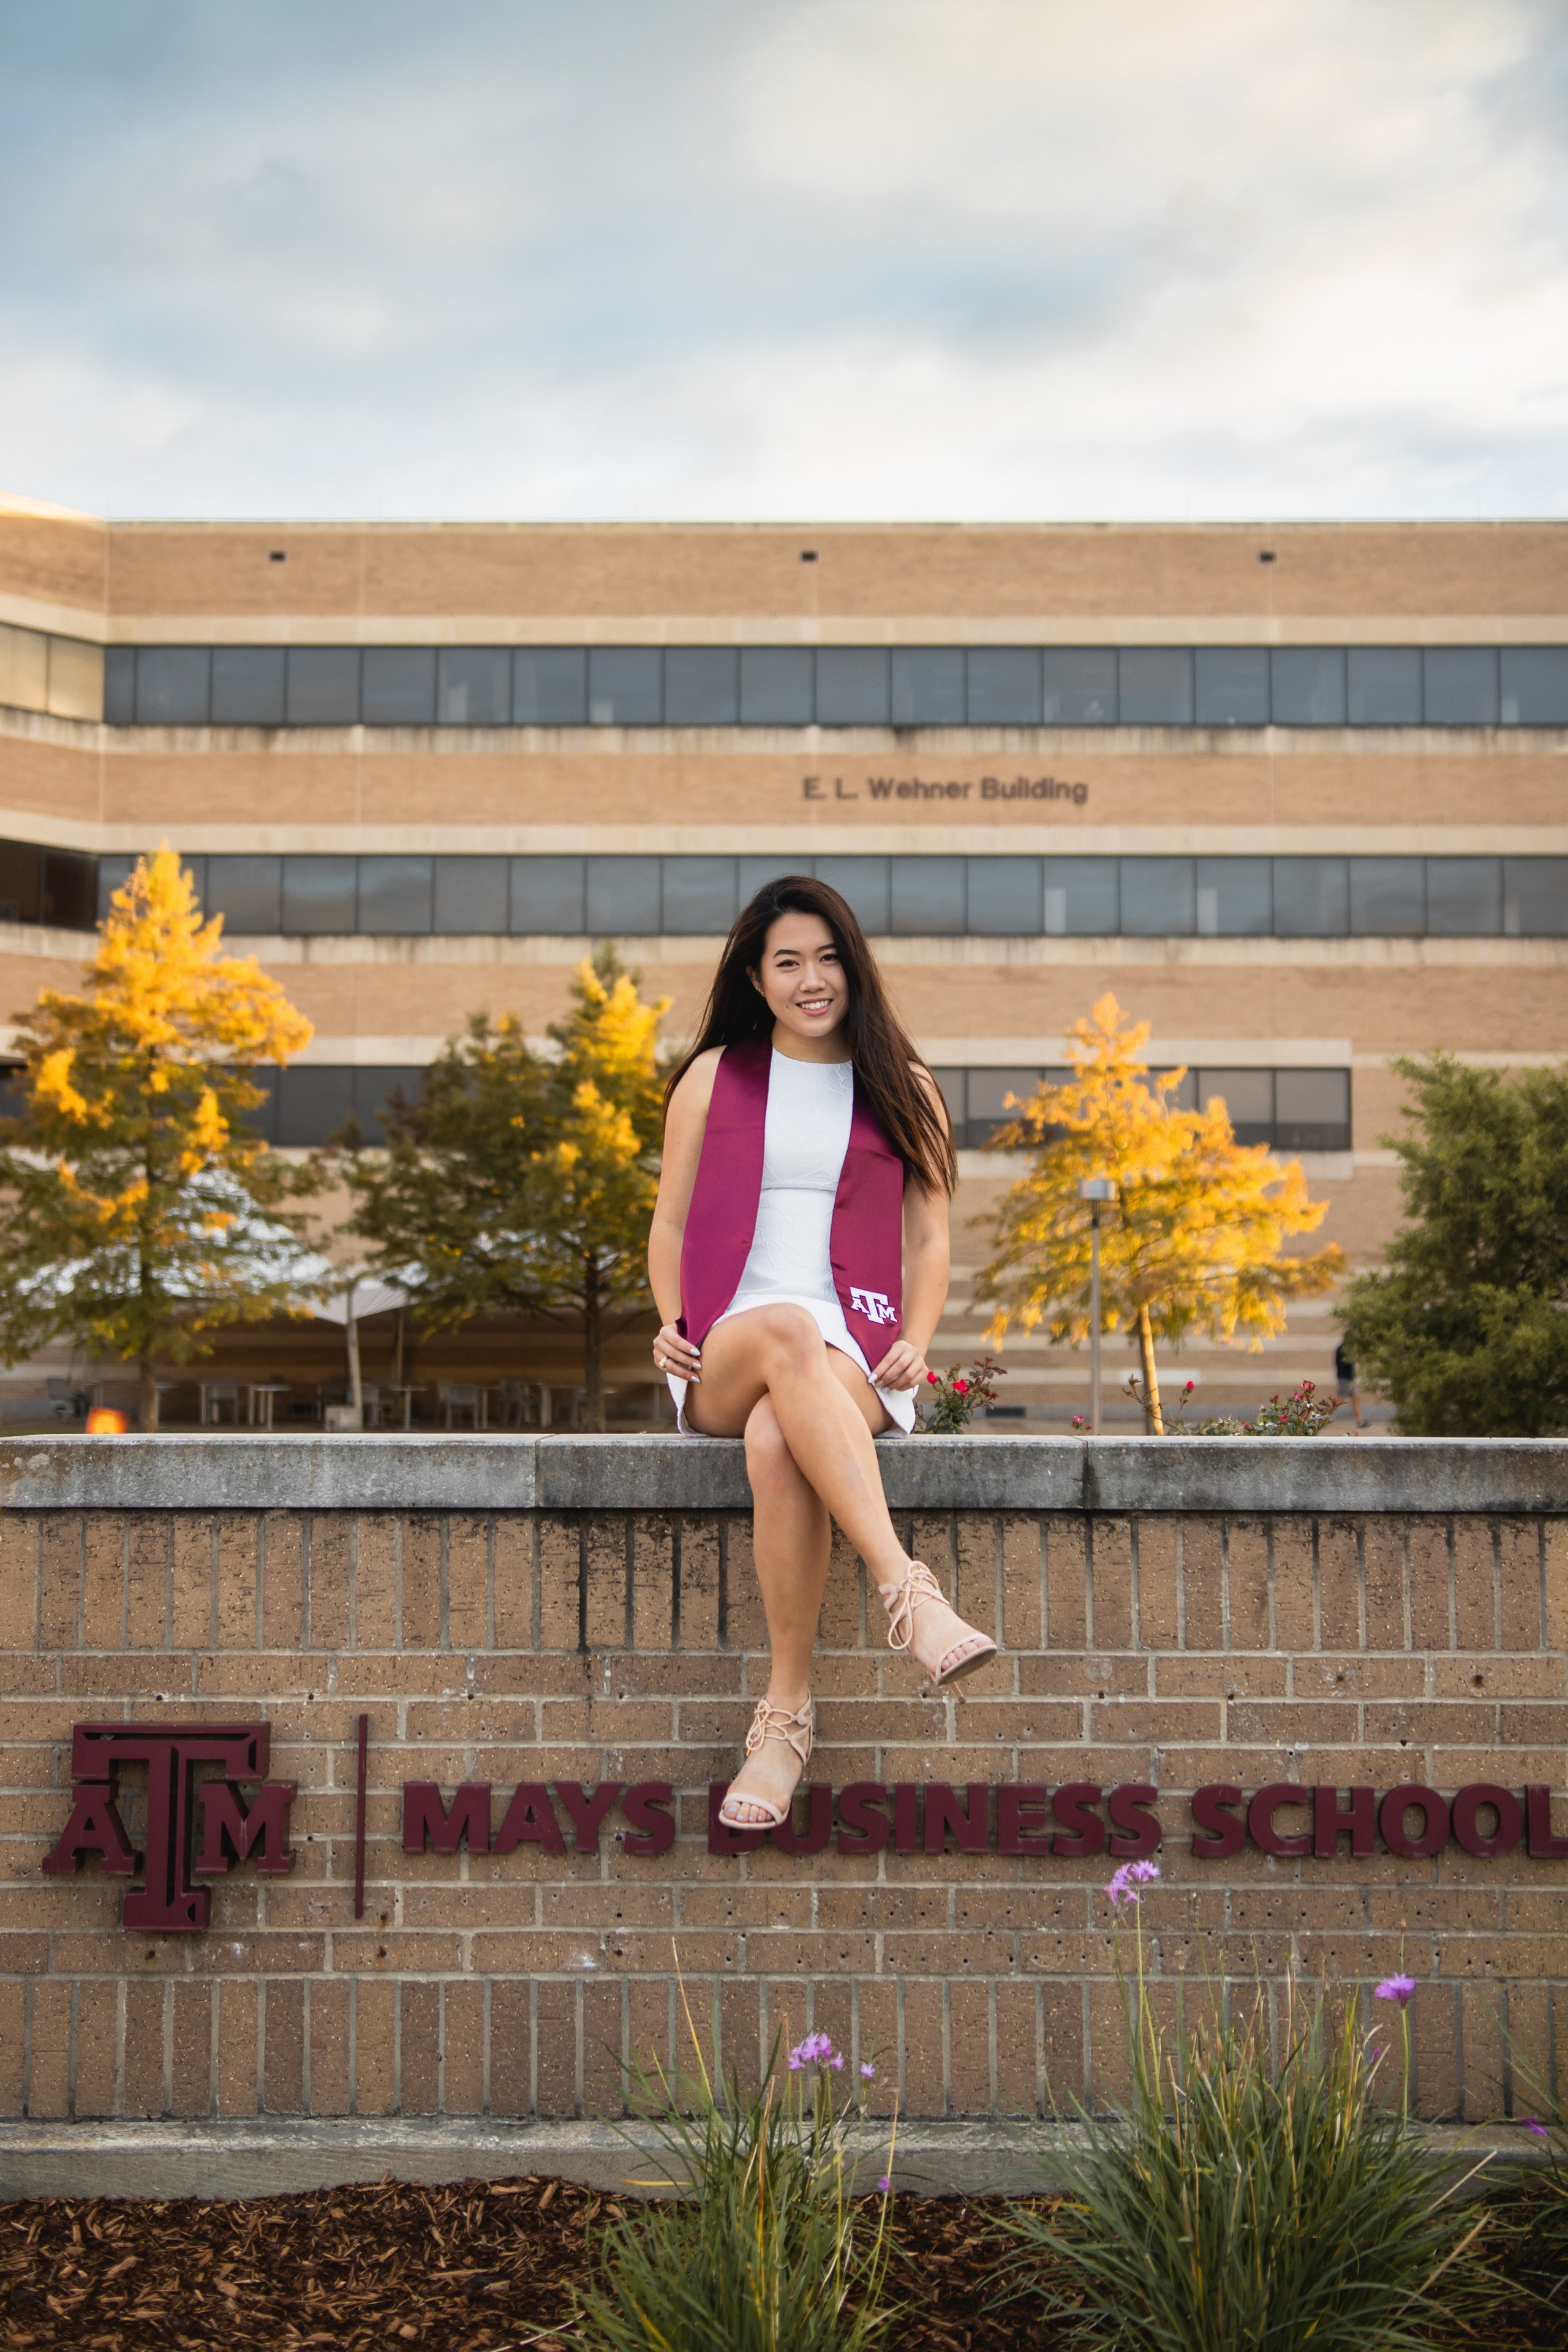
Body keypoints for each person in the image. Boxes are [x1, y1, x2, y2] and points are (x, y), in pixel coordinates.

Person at [648, 876, 997, 1830]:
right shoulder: (716, 1076)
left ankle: (786, 1715)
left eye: (828, 957)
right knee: (782, 1337)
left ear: (855, 965)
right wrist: (670, 1317)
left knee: (776, 1441)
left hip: (858, 1341)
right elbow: (670, 1219)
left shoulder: (903, 1085)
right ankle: (908, 1593)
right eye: (788, 962)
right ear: (757, 981)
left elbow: (930, 1239)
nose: (812, 979)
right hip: (730, 1335)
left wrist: (918, 1342)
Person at [1334, 1338, 1363, 1429]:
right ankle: (1324, 1415)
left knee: (1356, 1398)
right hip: (1345, 1378)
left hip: (1348, 1378)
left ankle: (1360, 1422)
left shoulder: (1341, 1348)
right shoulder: (1345, 1349)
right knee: (1341, 1401)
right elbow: (1345, 1363)